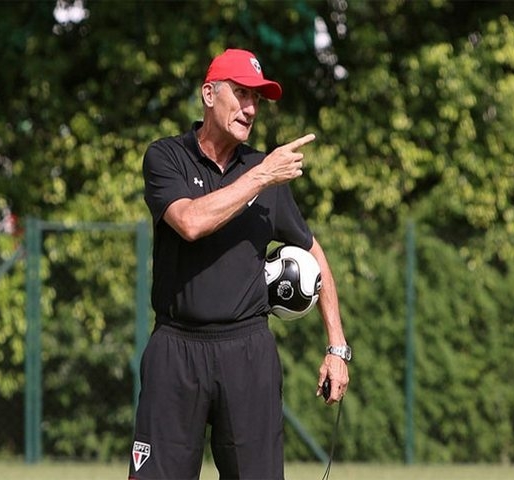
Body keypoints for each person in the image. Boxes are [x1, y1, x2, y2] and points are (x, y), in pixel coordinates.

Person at [129, 48, 351, 480]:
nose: (251, 109)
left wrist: (336, 348)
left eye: (258, 100)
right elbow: (190, 222)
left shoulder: (263, 170)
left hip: (248, 352)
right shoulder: (166, 157)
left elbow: (314, 253)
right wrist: (263, 176)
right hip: (176, 350)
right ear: (209, 94)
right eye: (241, 94)